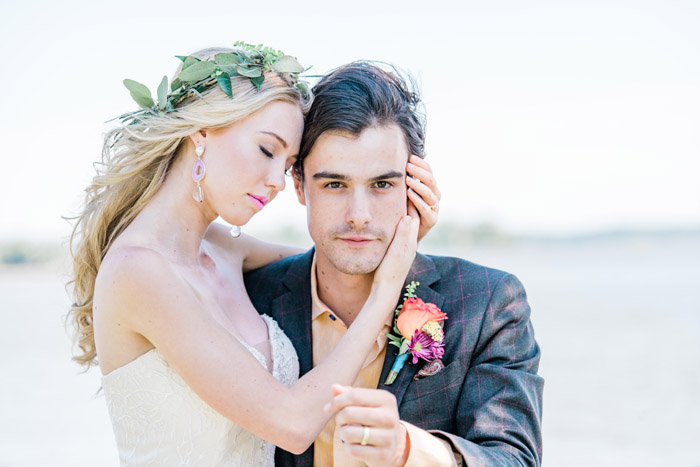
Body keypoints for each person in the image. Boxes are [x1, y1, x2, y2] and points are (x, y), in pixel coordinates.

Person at [67, 45, 441, 466]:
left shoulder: (226, 248)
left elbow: (342, 260)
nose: (278, 182)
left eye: (287, 165)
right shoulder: (139, 271)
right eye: (267, 150)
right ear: (201, 132)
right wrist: (388, 290)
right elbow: (294, 425)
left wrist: (402, 228)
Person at [244, 62, 544, 466]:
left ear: (415, 186)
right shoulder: (251, 294)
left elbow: (514, 459)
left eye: (382, 184)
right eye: (334, 184)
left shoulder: (488, 302)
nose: (359, 215)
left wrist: (411, 449)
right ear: (298, 185)